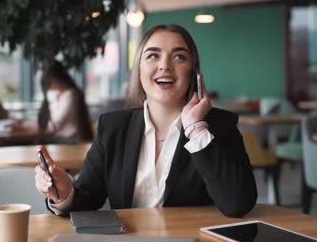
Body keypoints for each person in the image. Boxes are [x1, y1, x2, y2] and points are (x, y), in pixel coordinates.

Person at [34, 24, 257, 217]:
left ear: (194, 73)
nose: (165, 66)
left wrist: (196, 128)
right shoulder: (113, 128)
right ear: (139, 70)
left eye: (179, 57)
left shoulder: (220, 126)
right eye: (153, 55)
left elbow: (237, 204)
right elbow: (88, 198)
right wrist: (65, 193)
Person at [14, 61, 94, 143]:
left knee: (28, 143)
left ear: (54, 78)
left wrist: (24, 125)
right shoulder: (57, 96)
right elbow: (47, 120)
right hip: (61, 139)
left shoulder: (71, 95)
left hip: (71, 141)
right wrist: (23, 123)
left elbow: (54, 126)